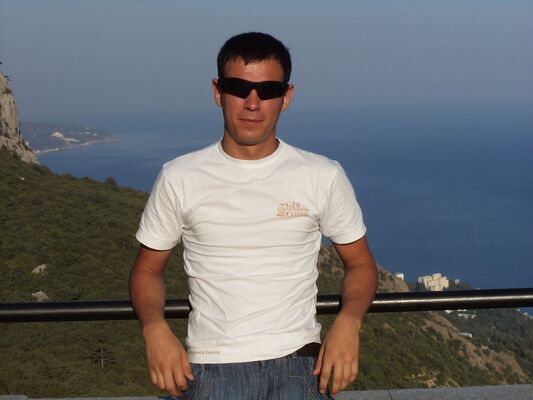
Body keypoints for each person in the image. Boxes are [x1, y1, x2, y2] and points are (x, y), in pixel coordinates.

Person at [129, 32, 378, 399]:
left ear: (286, 97)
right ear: (218, 92)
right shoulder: (179, 177)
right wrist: (154, 329)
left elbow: (361, 264)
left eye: (268, 90)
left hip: (301, 366)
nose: (252, 103)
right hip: (209, 368)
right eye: (238, 87)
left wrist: (349, 321)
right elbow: (147, 270)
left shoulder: (322, 175)